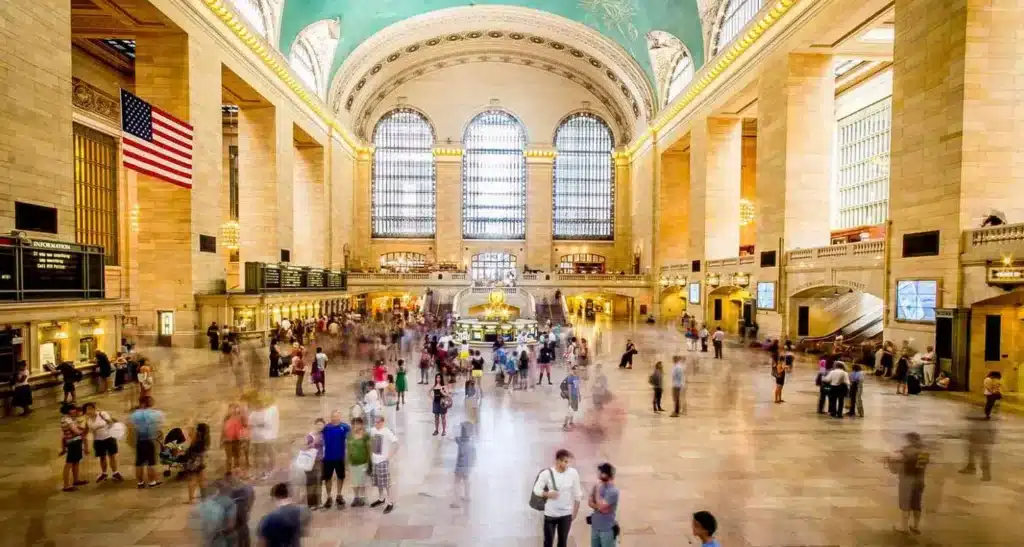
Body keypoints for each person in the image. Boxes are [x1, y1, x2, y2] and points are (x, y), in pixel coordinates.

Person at [532, 448, 584, 547]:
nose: (567, 465)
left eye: (569, 462)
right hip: (550, 514)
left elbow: (577, 493)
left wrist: (575, 513)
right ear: (558, 461)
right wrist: (547, 494)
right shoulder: (546, 473)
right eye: (565, 462)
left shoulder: (573, 473)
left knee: (562, 542)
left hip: (566, 514)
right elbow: (536, 489)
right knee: (548, 542)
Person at [886, 432, 929, 535]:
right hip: (919, 481)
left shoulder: (906, 451)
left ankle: (904, 527)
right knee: (916, 504)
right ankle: (915, 526)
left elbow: (896, 467)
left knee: (906, 503)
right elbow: (921, 467)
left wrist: (889, 460)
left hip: (907, 481)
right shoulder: (924, 452)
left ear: (911, 440)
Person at [257, 483, 310, 547]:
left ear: (274, 497)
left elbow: (262, 543)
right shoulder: (303, 511)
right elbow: (304, 532)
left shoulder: (268, 519)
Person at [129, 395, 164, 489]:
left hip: (139, 440)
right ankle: (152, 481)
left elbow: (131, 425)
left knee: (139, 463)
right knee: (151, 463)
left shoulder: (135, 414)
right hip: (150, 440)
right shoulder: (156, 413)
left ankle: (140, 483)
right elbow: (159, 425)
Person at [83, 402, 122, 482]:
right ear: (85, 411)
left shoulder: (102, 414)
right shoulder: (88, 420)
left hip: (109, 438)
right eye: (88, 409)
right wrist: (85, 445)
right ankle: (104, 473)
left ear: (94, 409)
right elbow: (85, 432)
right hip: (98, 440)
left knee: (112, 456)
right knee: (102, 457)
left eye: (91, 408)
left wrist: (100, 427)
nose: (90, 411)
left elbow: (110, 422)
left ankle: (115, 473)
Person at [190, 480, 237, 547]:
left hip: (208, 537)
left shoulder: (207, 502)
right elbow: (230, 525)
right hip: (221, 538)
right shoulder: (230, 503)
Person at [320, 410, 351, 509]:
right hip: (328, 458)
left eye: (336, 416)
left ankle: (339, 495)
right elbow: (317, 433)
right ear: (330, 417)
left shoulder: (345, 427)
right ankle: (329, 496)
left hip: (340, 457)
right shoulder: (325, 428)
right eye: (333, 416)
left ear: (340, 417)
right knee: (328, 478)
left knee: (340, 477)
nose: (334, 418)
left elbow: (352, 435)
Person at [369, 415, 399, 514]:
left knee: (386, 483)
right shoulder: (373, 430)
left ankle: (390, 502)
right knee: (378, 481)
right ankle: (381, 498)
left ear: (382, 422)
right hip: (374, 460)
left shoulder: (386, 431)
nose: (376, 423)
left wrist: (389, 456)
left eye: (378, 422)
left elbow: (396, 443)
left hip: (382, 461)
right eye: (375, 422)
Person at [587, 462, 620, 547]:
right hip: (595, 527)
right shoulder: (598, 486)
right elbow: (590, 502)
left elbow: (601, 506)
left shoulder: (613, 491)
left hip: (607, 530)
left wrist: (597, 490)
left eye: (600, 472)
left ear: (605, 474)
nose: (598, 474)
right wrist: (599, 507)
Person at [59, 403, 89, 491]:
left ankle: (76, 480)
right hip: (73, 443)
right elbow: (77, 432)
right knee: (69, 463)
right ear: (68, 411)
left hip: (75, 442)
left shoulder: (70, 419)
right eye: (73, 409)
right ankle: (66, 485)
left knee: (76, 461)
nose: (75, 411)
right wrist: (85, 428)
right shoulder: (67, 420)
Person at [248, 396, 279, 481]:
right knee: (255, 455)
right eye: (256, 404)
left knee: (261, 455)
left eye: (259, 404)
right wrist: (257, 424)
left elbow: (267, 424)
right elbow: (250, 424)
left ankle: (263, 472)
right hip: (254, 437)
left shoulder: (266, 412)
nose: (258, 405)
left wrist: (257, 424)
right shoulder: (253, 413)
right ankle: (256, 472)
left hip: (263, 438)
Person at [346, 416, 372, 507]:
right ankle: (356, 497)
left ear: (361, 424)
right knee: (354, 482)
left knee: (362, 481)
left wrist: (369, 463)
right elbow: (348, 449)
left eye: (358, 423)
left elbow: (369, 450)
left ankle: (362, 497)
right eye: (354, 424)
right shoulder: (349, 435)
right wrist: (347, 462)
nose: (356, 425)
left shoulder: (366, 435)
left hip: (363, 462)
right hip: (352, 463)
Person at [184, 423, 211, 503]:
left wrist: (191, 422)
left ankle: (191, 499)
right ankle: (204, 498)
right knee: (202, 480)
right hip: (201, 459)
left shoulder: (196, 437)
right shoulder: (207, 438)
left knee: (192, 479)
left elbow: (189, 430)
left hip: (193, 459)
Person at [451, 421, 476, 508]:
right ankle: (467, 496)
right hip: (468, 467)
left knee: (456, 483)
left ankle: (456, 502)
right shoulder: (472, 443)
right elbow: (474, 456)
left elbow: (454, 437)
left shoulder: (461, 441)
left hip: (460, 467)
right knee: (466, 481)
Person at [303, 418, 325, 509]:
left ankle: (319, 502)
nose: (320, 426)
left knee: (319, 482)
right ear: (315, 425)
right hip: (310, 462)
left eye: (322, 425)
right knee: (310, 483)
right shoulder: (310, 435)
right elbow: (304, 448)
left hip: (320, 461)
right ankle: (311, 503)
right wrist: (313, 443)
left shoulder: (323, 435)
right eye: (318, 424)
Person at [222, 403, 249, 475]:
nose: (233, 410)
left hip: (237, 440)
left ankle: (236, 473)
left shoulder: (240, 417)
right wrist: (221, 439)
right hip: (227, 440)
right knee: (229, 458)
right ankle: (228, 473)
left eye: (235, 408)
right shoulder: (226, 418)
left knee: (237, 457)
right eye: (231, 408)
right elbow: (223, 429)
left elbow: (245, 425)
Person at [562, 366, 582, 431]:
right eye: (576, 369)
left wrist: (579, 395)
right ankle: (565, 424)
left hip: (575, 395)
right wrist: (570, 398)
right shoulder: (570, 378)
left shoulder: (577, 377)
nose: (577, 370)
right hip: (572, 395)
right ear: (573, 370)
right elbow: (569, 388)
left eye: (577, 369)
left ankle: (571, 422)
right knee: (570, 410)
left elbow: (577, 387)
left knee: (573, 410)